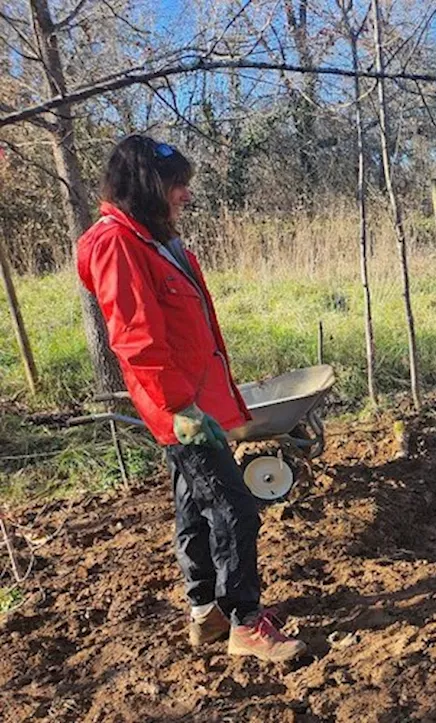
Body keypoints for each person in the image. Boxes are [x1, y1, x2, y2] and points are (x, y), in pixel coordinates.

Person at [75, 135, 305, 661]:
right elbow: (136, 338)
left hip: (193, 403)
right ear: (147, 187)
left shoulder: (154, 241)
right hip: (180, 409)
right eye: (177, 184)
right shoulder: (117, 244)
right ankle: (246, 624)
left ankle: (206, 611)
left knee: (194, 507)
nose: (185, 194)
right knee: (235, 508)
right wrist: (181, 408)